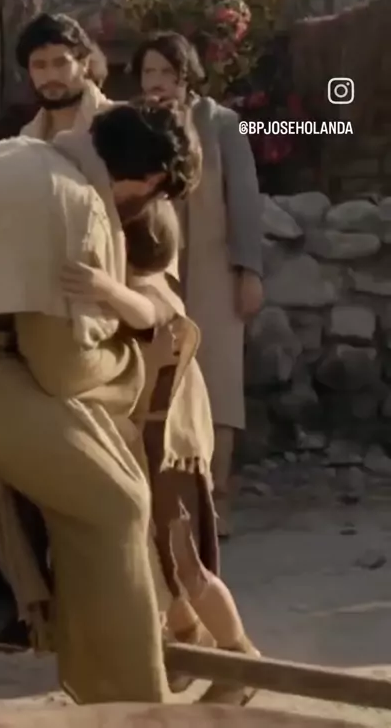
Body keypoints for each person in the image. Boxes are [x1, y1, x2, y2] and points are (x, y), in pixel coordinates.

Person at [0, 99, 200, 705]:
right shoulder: (78, 204)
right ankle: (128, 705)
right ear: (149, 181)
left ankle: (99, 679)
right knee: (116, 502)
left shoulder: (21, 154)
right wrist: (131, 362)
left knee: (108, 482)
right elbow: (62, 368)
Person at [62, 199, 260, 705]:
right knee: (162, 557)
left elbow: (148, 314)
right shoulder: (151, 283)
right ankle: (188, 638)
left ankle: (240, 660)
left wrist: (106, 288)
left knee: (186, 564)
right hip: (159, 447)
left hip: (173, 452)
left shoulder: (149, 292)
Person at [131, 31, 264, 538]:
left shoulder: (221, 123)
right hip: (152, 268)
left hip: (212, 264)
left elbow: (244, 200)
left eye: (167, 72)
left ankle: (216, 496)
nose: (157, 82)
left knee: (217, 378)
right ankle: (164, 500)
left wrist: (248, 270)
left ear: (186, 76)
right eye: (149, 72)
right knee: (156, 377)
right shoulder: (133, 126)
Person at [16, 12, 110, 140]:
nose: (51, 76)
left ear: (84, 63)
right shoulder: (27, 136)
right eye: (39, 65)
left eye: (61, 63)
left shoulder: (119, 126)